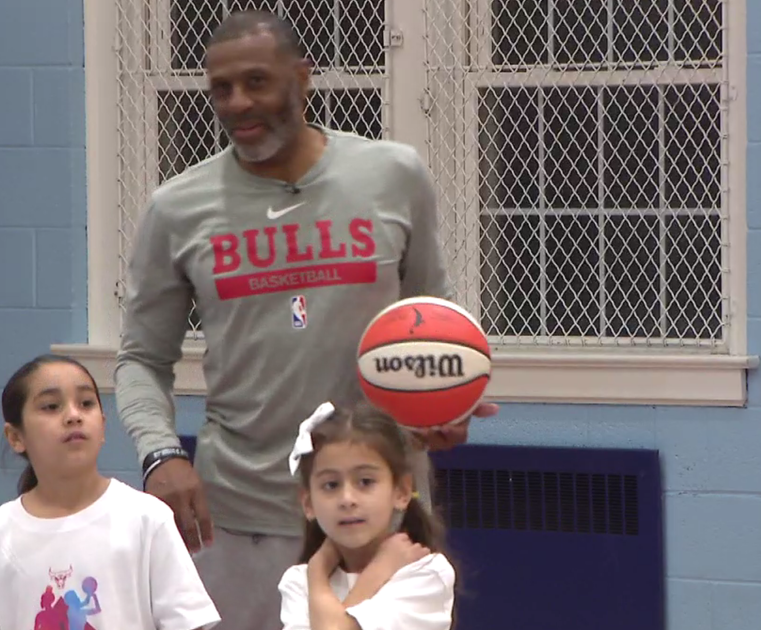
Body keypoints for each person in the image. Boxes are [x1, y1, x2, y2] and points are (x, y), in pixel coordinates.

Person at [115, 10, 496, 630]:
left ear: (302, 78)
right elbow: (140, 358)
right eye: (221, 88)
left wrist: (441, 404)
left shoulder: (393, 175)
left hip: (376, 505)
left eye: (258, 82)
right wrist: (161, 456)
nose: (238, 102)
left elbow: (431, 315)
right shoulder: (177, 208)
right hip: (239, 511)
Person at [0, 355, 221, 630]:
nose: (74, 416)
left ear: (103, 425)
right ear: (16, 437)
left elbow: (188, 622)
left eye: (86, 403)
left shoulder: (147, 518)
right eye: (51, 406)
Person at [278, 401, 456, 630]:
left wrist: (319, 573)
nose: (347, 499)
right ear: (309, 503)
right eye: (331, 485)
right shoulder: (299, 582)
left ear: (401, 491)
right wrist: (319, 573)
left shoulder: (426, 572)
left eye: (365, 482)